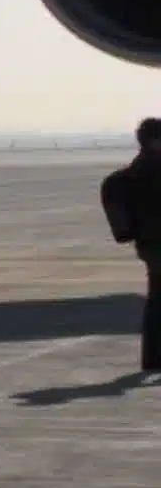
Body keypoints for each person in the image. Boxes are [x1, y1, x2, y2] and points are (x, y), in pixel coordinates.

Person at [104, 119, 161, 381]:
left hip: (149, 245)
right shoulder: (149, 172)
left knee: (156, 299)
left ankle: (153, 359)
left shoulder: (130, 174)